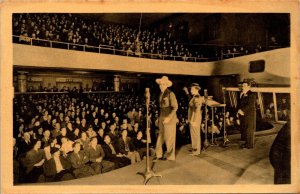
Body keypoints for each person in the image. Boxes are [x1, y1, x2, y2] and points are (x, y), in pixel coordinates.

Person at [154, 76, 178, 161]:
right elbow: (160, 108)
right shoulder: (160, 94)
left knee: (169, 137)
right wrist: (158, 118)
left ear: (167, 85)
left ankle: (170, 156)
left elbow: (175, 107)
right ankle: (158, 154)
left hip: (169, 118)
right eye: (160, 84)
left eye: (163, 84)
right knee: (161, 135)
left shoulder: (170, 93)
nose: (161, 85)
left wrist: (169, 117)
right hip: (162, 117)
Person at [236, 81, 256, 149]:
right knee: (244, 128)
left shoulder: (252, 95)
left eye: (244, 86)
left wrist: (242, 110)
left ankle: (249, 145)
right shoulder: (242, 94)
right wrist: (238, 111)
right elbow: (240, 104)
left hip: (249, 115)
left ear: (248, 87)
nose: (243, 87)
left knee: (249, 129)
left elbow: (250, 105)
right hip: (242, 115)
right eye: (242, 86)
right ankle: (245, 142)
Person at [187, 83, 203, 156]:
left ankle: (197, 150)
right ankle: (194, 148)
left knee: (196, 134)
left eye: (192, 89)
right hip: (192, 118)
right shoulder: (194, 97)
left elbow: (196, 110)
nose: (191, 90)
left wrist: (193, 120)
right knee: (193, 134)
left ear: (196, 89)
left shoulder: (197, 97)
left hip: (195, 118)